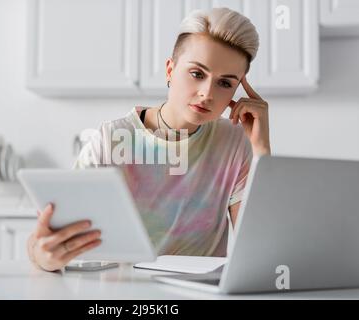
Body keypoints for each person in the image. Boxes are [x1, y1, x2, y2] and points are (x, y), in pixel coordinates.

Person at [27, 8, 271, 272]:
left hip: (197, 292)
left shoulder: (233, 142)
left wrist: (261, 150)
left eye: (225, 83)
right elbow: (46, 237)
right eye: (197, 74)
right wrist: (41, 256)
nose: (207, 94)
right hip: (123, 294)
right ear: (170, 69)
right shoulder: (111, 139)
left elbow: (261, 250)